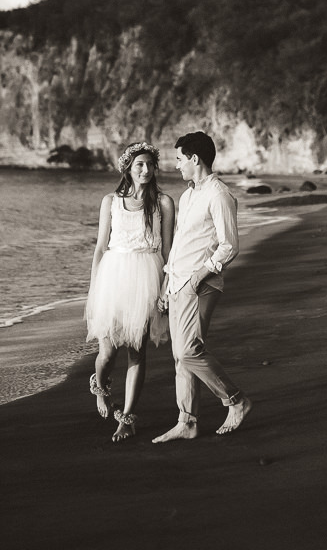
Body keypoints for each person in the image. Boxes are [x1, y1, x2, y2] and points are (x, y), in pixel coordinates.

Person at [153, 131, 252, 443]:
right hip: (178, 282)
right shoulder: (188, 195)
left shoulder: (219, 195)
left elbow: (229, 245)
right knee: (180, 358)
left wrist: (200, 275)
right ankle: (188, 421)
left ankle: (236, 400)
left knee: (188, 350)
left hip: (201, 284)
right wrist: (167, 281)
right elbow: (183, 244)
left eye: (180, 159)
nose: (177, 166)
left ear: (195, 159)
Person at [86, 141, 175, 441]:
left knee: (137, 352)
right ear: (127, 167)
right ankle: (100, 386)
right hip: (112, 277)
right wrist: (95, 286)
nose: (146, 170)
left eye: (150, 165)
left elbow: (168, 250)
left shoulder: (163, 203)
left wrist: (165, 288)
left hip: (146, 278)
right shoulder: (110, 201)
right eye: (140, 164)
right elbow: (100, 247)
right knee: (107, 352)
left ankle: (126, 418)